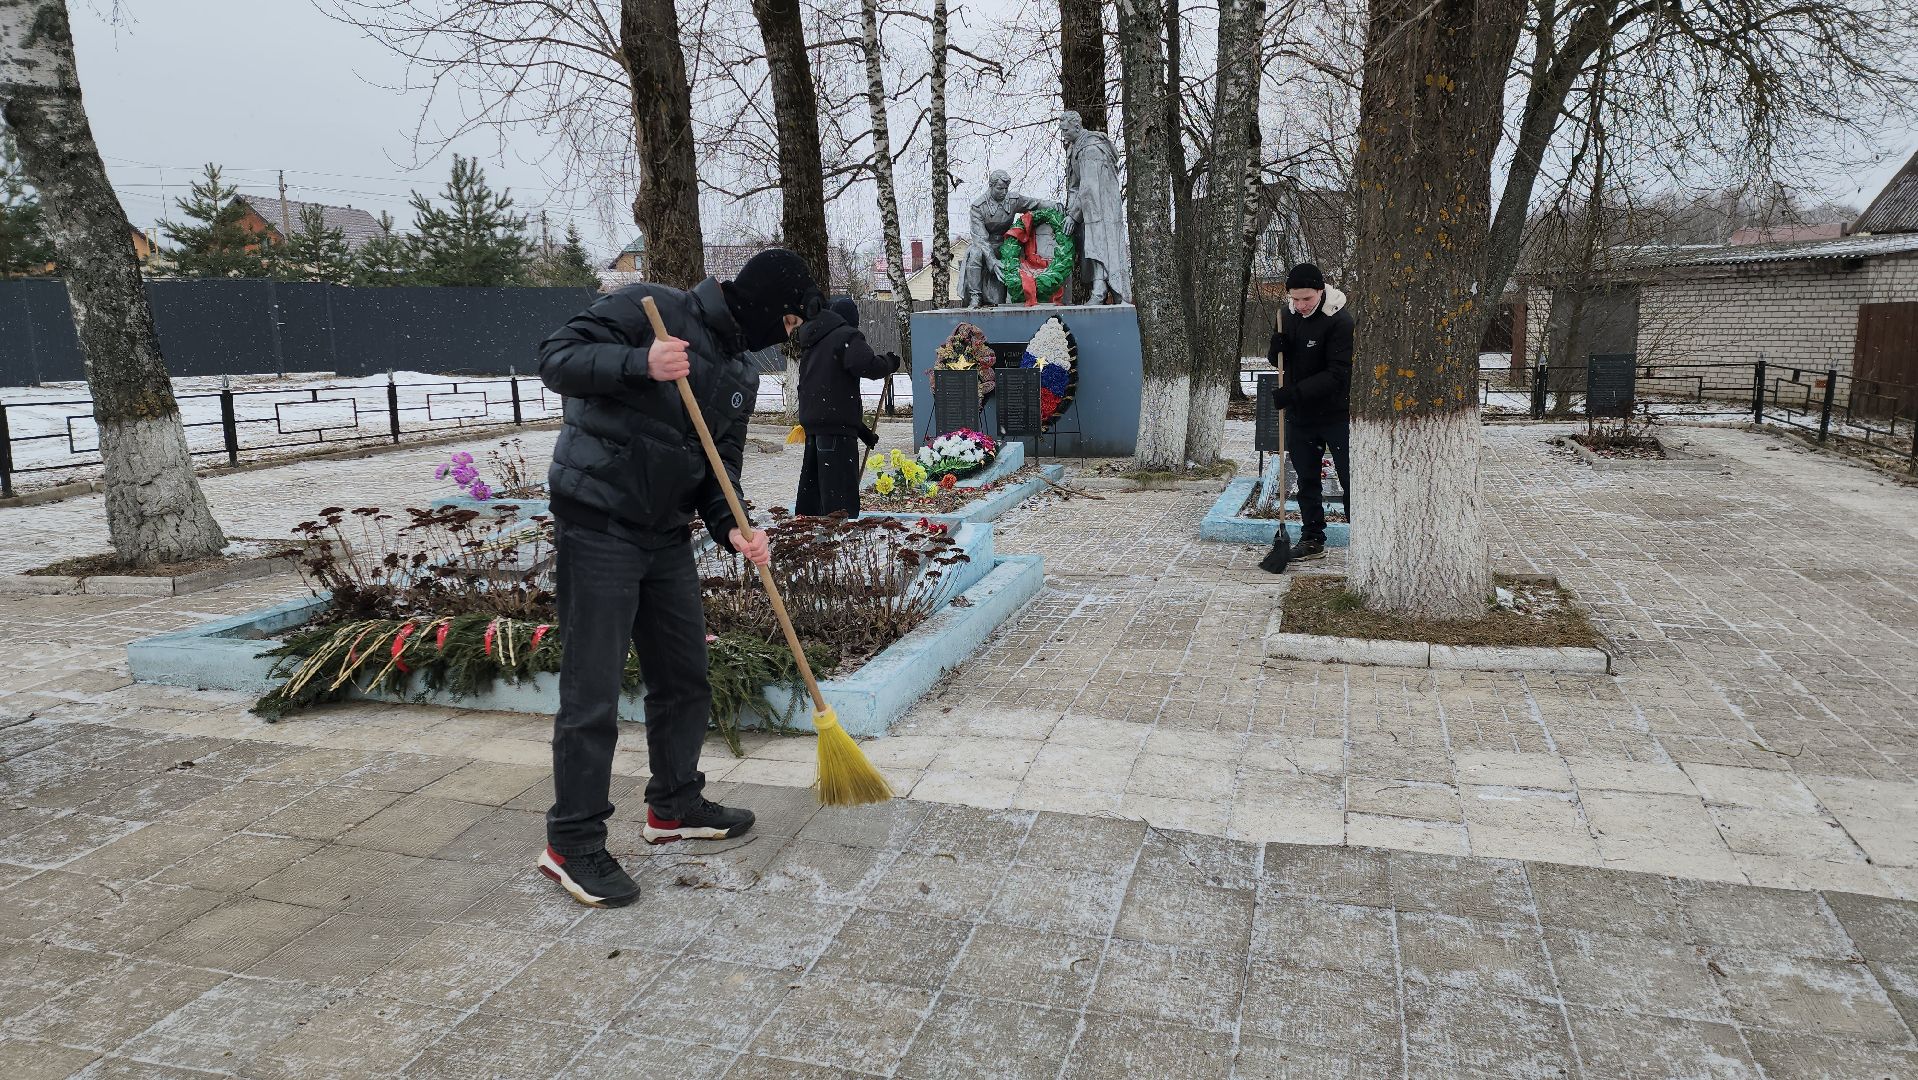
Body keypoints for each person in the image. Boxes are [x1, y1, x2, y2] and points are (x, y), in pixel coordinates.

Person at [534, 248, 819, 908]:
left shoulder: (743, 374)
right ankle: (571, 842)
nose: (786, 334)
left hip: (664, 535)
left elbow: (718, 470)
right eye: (786, 320)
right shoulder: (649, 309)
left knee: (685, 675)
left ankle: (674, 804)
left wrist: (737, 525)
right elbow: (556, 358)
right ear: (756, 304)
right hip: (599, 519)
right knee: (593, 690)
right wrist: (642, 363)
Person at [1261, 262, 1353, 572]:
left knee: (1350, 478)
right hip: (1301, 416)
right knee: (1307, 479)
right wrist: (1276, 350)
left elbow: (1338, 374)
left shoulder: (1339, 320)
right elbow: (1281, 361)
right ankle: (1313, 539)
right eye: (1295, 299)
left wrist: (1294, 393)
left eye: (1307, 299)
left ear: (1321, 291)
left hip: (1336, 414)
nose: (1300, 306)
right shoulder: (1285, 316)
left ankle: (1365, 538)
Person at [793, 297, 901, 517]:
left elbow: (829, 395)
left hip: (816, 427)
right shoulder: (845, 336)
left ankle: (810, 538)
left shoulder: (815, 340)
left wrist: (861, 431)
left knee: (815, 494)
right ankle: (838, 541)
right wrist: (889, 362)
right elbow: (867, 365)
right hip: (835, 434)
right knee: (839, 497)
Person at [1060, 110, 1131, 305]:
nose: (1063, 134)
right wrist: (1069, 213)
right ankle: (1100, 289)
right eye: (1061, 130)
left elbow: (1089, 187)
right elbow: (1074, 187)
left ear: (1076, 127)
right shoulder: (1076, 149)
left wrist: (1073, 216)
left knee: (1102, 245)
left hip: (1102, 208)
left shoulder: (1091, 148)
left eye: (1066, 130)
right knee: (1093, 246)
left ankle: (1104, 291)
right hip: (1089, 208)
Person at [959, 171, 1059, 308]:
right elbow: (980, 239)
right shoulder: (978, 207)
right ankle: (975, 297)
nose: (1004, 192)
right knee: (975, 252)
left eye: (1006, 188)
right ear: (991, 186)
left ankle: (1023, 296)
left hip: (1007, 244)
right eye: (1000, 188)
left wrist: (1053, 205)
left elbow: (1034, 204)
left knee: (1024, 258)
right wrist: (992, 261)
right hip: (985, 245)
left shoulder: (1013, 200)